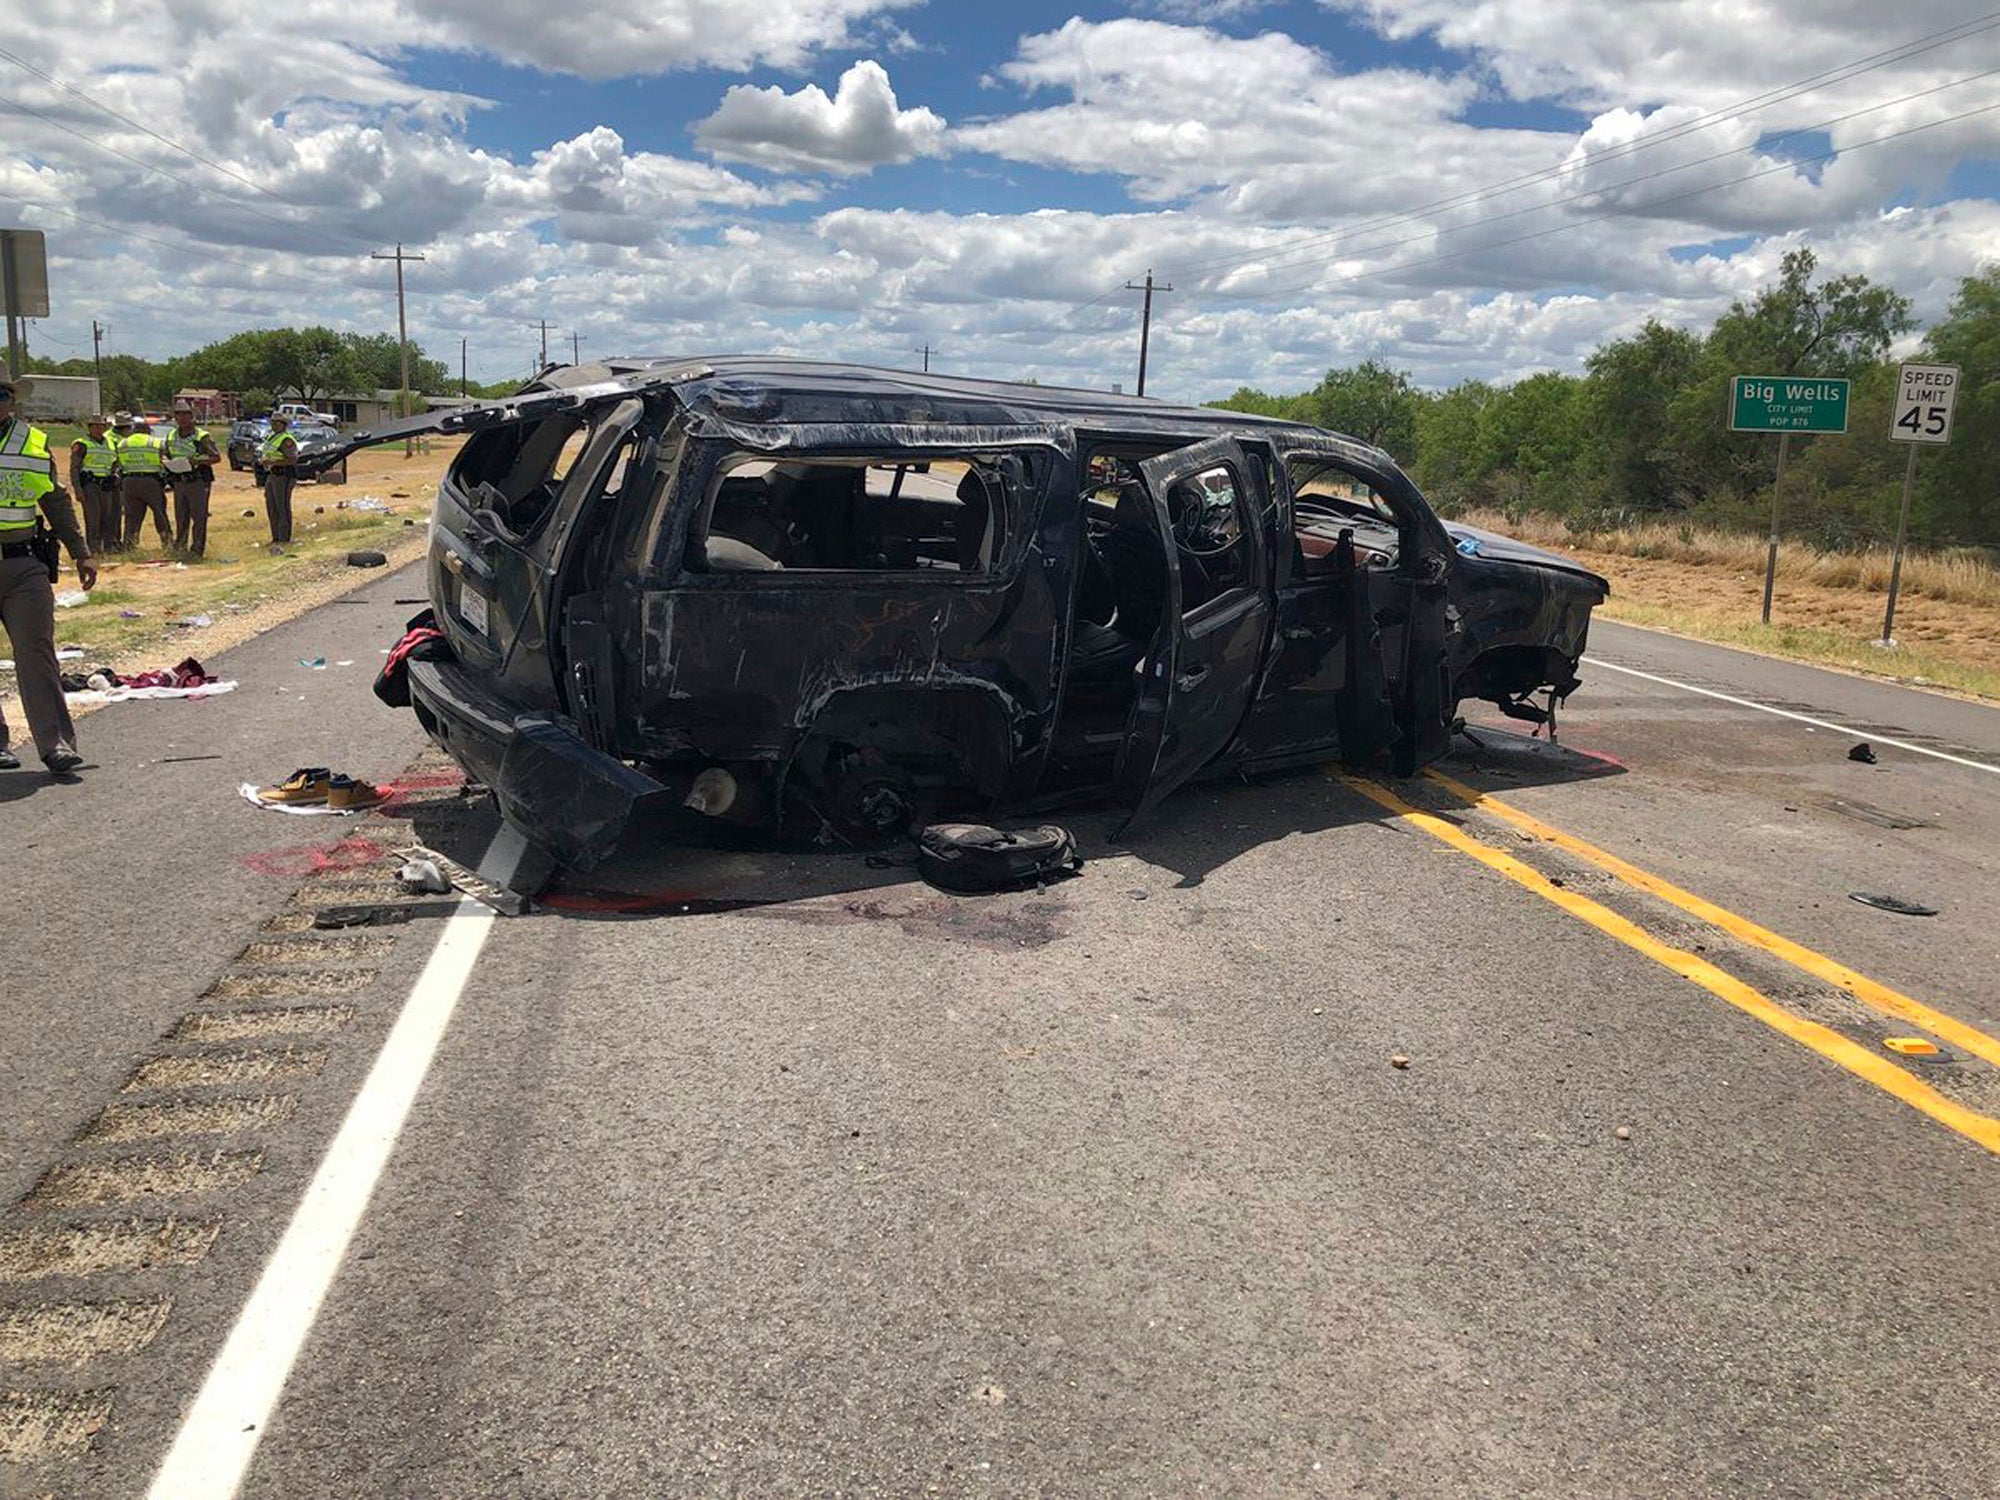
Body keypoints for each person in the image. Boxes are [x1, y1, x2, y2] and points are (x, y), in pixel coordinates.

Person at [0, 378, 96, 774]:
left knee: (37, 652)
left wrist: (82, 553)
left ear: (12, 400)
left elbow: (54, 501)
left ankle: (55, 743)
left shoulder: (33, 442)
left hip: (22, 564)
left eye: (2, 394)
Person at [163, 401, 221, 557]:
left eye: (185, 415)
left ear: (192, 416)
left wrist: (198, 461)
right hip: (179, 480)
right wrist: (166, 461)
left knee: (199, 516)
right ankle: (180, 547)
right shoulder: (171, 435)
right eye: (178, 414)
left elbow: (216, 457)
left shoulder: (202, 436)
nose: (182, 418)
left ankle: (197, 550)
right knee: (181, 516)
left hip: (198, 480)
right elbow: (166, 452)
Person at [68, 412, 123, 554]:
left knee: (109, 518)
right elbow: (74, 468)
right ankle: (94, 549)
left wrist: (115, 473)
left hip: (106, 485)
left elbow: (116, 461)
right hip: (90, 485)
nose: (98, 429)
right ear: (90, 427)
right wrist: (78, 490)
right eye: (95, 426)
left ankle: (108, 548)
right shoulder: (82, 444)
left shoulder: (111, 443)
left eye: (101, 426)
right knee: (93, 519)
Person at [115, 411, 170, 552]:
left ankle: (129, 546)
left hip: (129, 482)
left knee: (131, 517)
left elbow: (118, 463)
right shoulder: (155, 442)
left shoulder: (123, 443)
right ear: (148, 431)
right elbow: (165, 459)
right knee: (159, 514)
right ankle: (167, 543)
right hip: (150, 481)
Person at [259, 411, 299, 547]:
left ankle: (284, 538)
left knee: (282, 506)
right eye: (273, 423)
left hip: (284, 475)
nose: (274, 425)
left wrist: (272, 462)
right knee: (271, 506)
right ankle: (275, 537)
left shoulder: (287, 440)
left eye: (277, 423)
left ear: (284, 425)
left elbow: (292, 460)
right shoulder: (271, 437)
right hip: (272, 474)